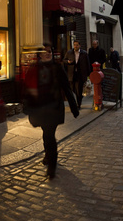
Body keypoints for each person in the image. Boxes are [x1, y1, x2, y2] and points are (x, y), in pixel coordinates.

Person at [23, 46, 81, 179]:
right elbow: (28, 89)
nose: (47, 54)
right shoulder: (34, 68)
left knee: (49, 134)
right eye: (44, 52)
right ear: (40, 55)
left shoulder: (58, 68)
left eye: (49, 51)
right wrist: (27, 106)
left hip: (54, 107)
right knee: (46, 133)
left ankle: (52, 166)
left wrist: (74, 107)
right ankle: (48, 156)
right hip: (40, 108)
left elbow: (66, 87)